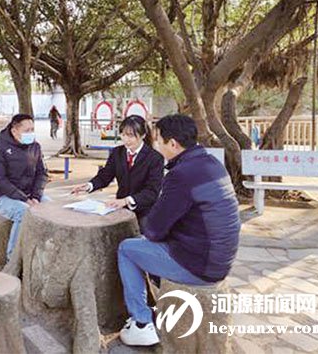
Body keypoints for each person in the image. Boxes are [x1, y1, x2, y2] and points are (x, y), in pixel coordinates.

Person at [117, 114, 240, 347]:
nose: (156, 145)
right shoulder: (212, 164)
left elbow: (154, 229)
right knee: (147, 245)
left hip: (199, 266)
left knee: (127, 249)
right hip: (221, 260)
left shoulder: (181, 174)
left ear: (173, 144)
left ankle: (141, 322)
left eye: (158, 140)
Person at [71, 115, 164, 226]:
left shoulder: (155, 158)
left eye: (131, 135)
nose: (126, 140)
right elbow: (105, 175)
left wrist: (126, 201)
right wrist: (89, 185)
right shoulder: (117, 153)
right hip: (120, 207)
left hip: (144, 210)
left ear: (143, 135)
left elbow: (152, 191)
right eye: (123, 135)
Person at [0, 114, 48, 259]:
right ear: (14, 131)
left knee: (51, 208)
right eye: (27, 130)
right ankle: (13, 258)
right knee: (24, 212)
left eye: (32, 129)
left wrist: (36, 196)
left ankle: (44, 252)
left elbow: (42, 173)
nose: (31, 133)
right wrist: (24, 199)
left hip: (31, 195)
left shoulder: (35, 147)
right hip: (5, 197)